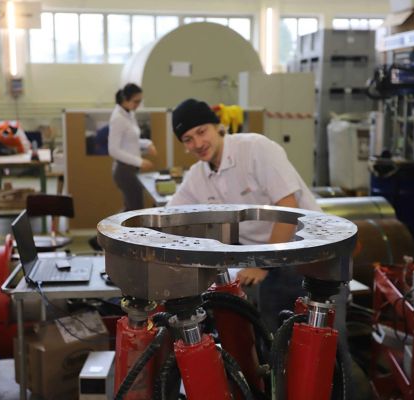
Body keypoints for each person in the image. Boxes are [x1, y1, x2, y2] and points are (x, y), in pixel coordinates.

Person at [167, 98, 346, 333]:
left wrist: (263, 265)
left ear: (217, 126)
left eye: (202, 132)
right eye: (188, 139)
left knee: (326, 343)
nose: (198, 143)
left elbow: (287, 205)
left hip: (311, 255)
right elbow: (168, 215)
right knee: (275, 339)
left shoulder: (255, 149)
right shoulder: (198, 176)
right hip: (271, 262)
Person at [108, 83, 157, 211]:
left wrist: (147, 143)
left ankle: (111, 230)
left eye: (140, 101)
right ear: (125, 99)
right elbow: (113, 149)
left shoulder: (129, 114)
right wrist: (139, 161)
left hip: (131, 169)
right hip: (124, 170)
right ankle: (109, 230)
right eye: (136, 101)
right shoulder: (118, 118)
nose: (138, 105)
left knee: (131, 209)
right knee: (134, 210)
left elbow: (132, 140)